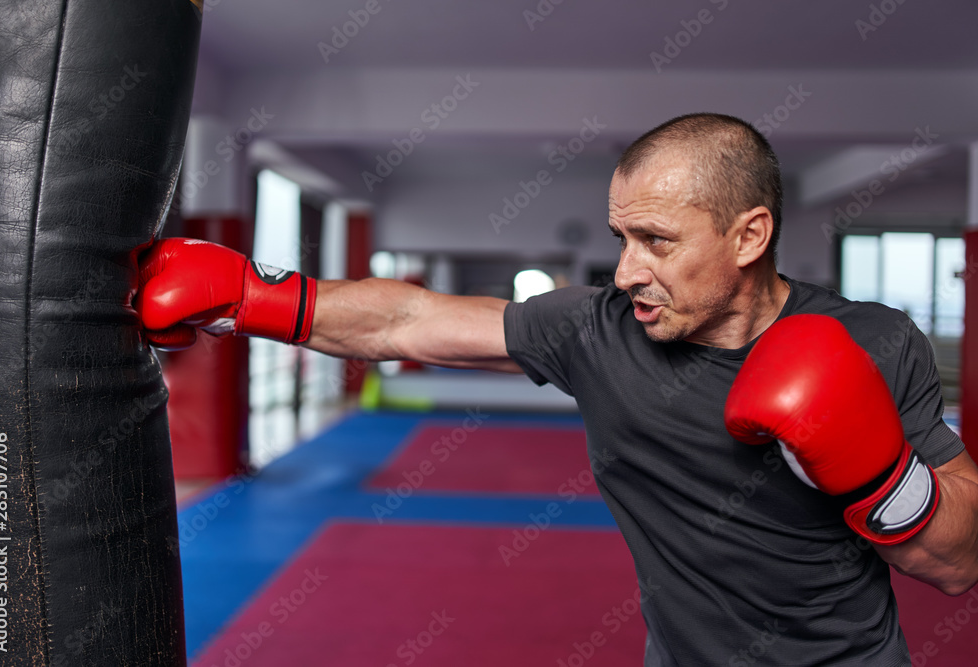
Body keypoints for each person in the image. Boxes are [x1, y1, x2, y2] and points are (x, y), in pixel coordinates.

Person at [136, 113, 978, 665]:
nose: (626, 270)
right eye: (621, 237)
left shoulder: (872, 341)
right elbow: (409, 321)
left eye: (655, 240)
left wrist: (874, 470)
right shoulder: (600, 327)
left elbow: (956, 561)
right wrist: (256, 296)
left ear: (749, 234)